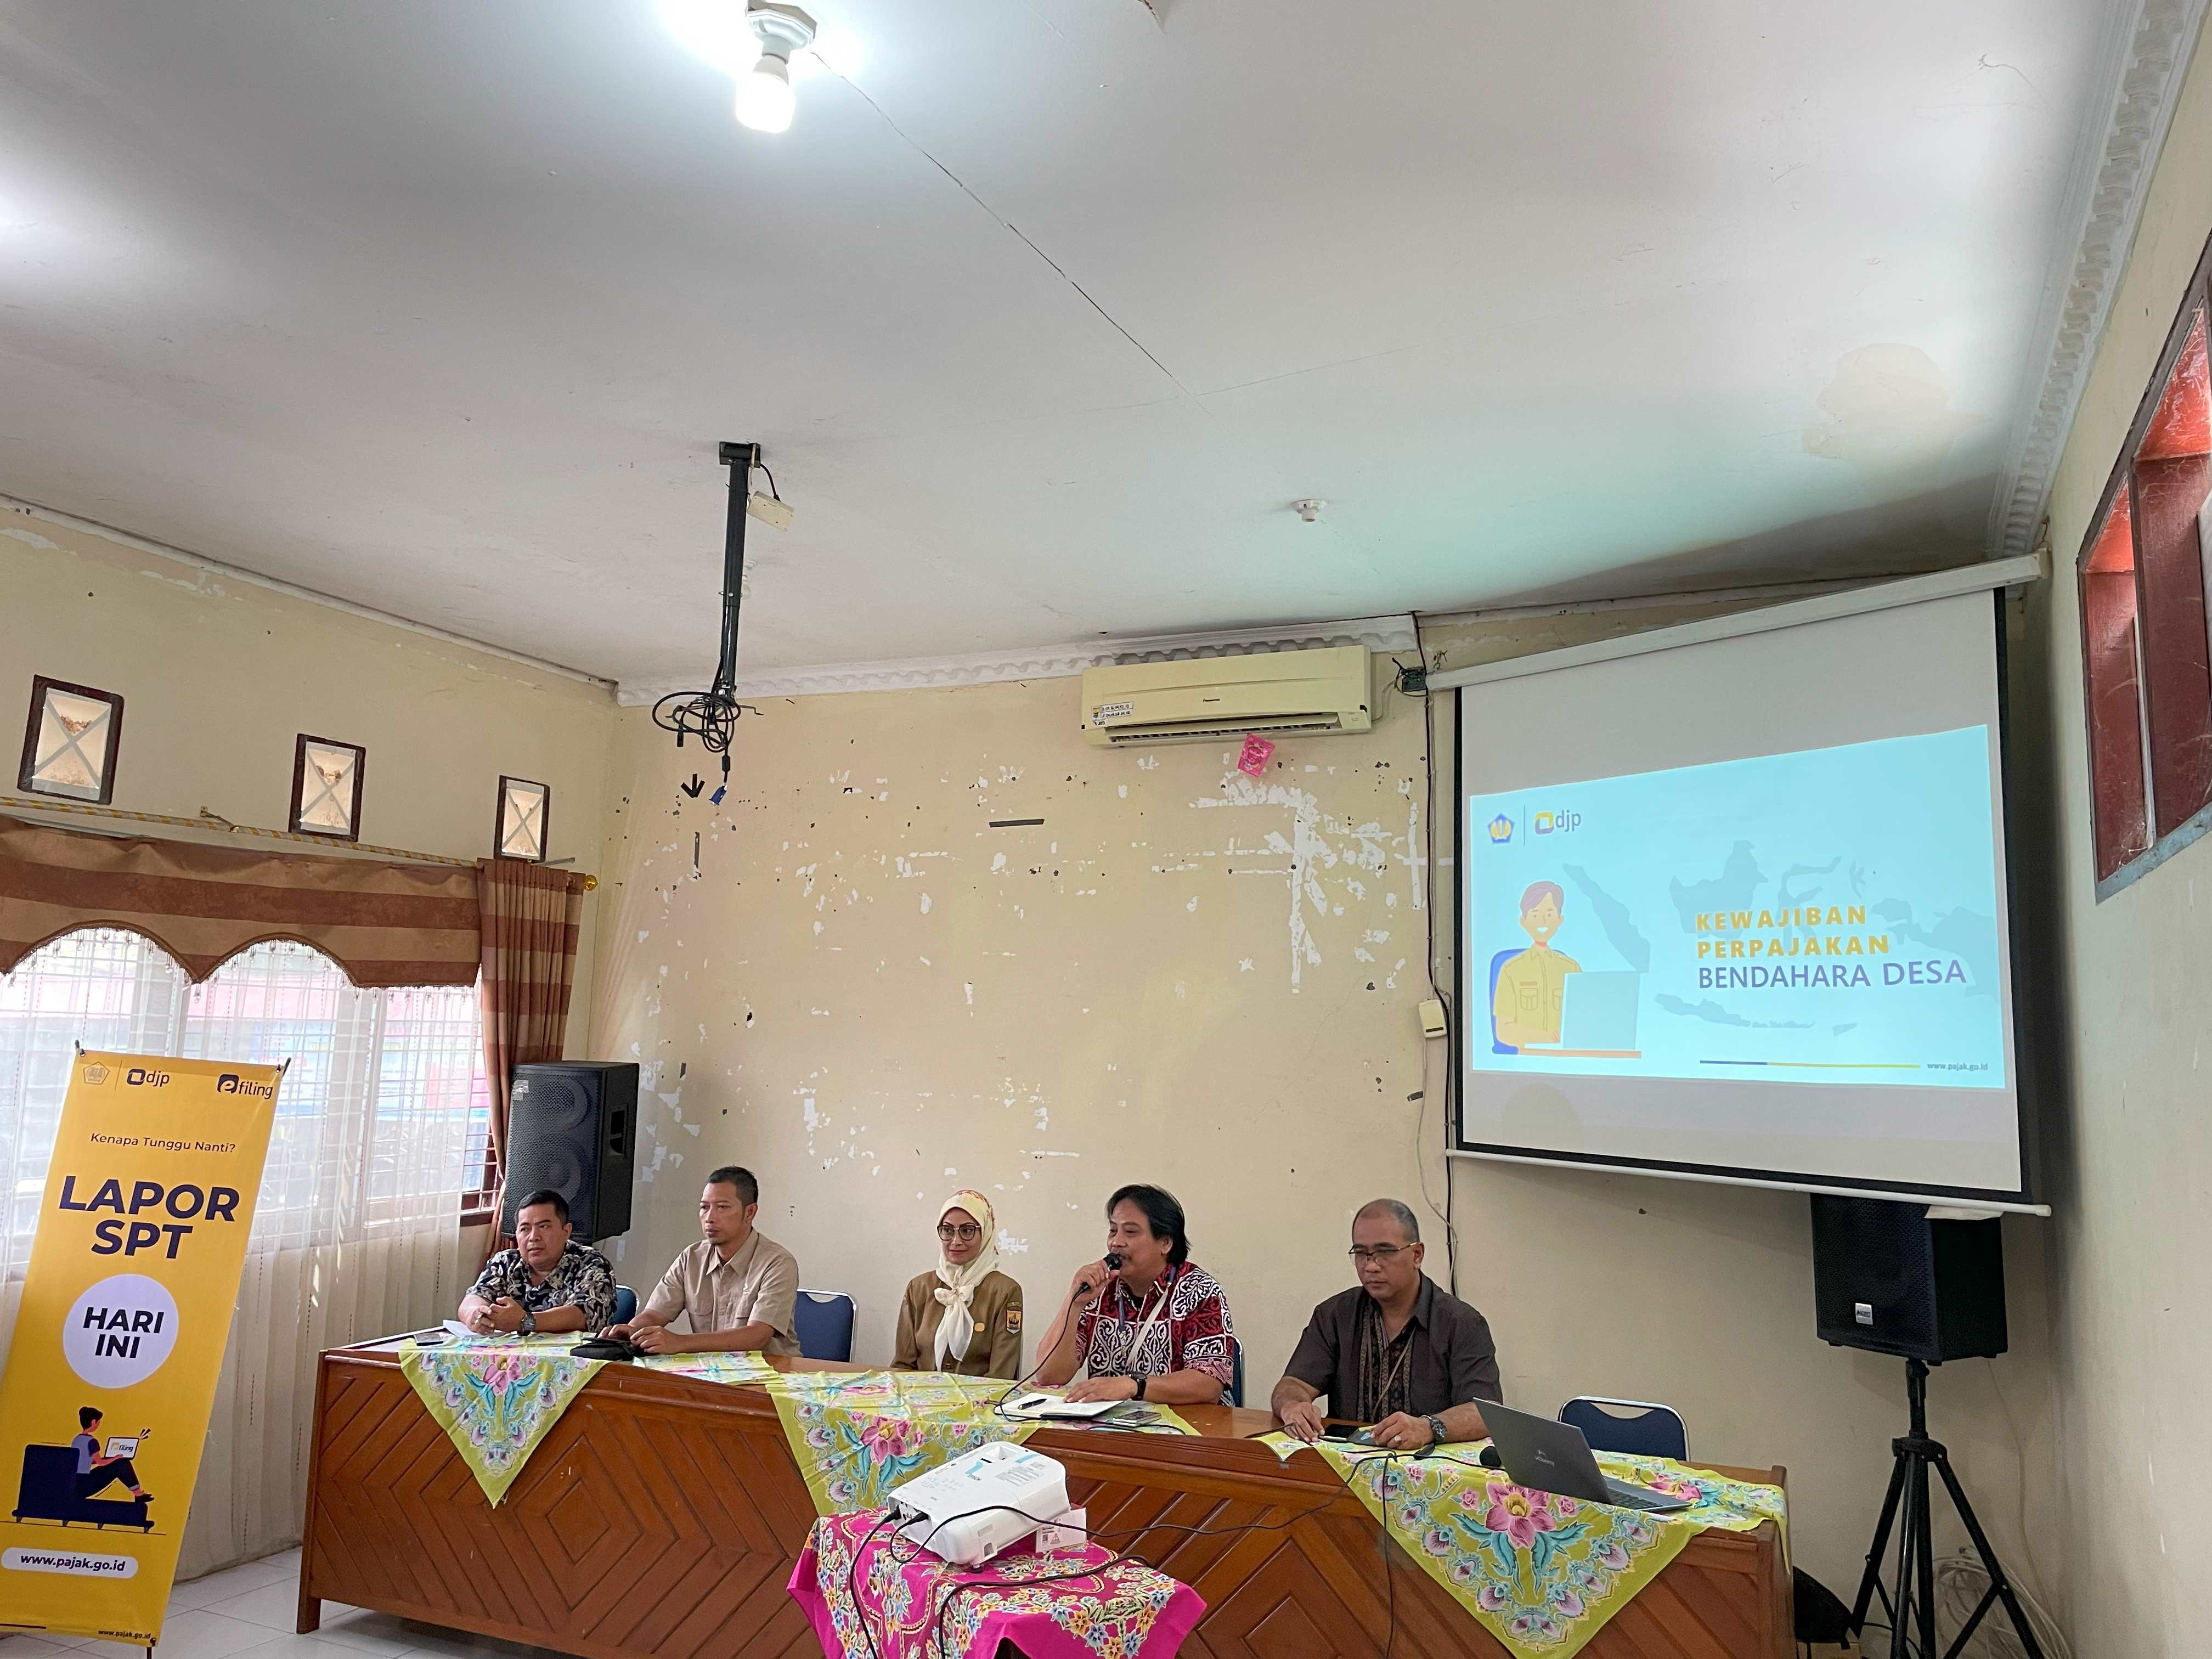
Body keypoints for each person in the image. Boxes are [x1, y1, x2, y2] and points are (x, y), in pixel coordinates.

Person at [1272, 1198, 1503, 1451]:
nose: (1371, 1266)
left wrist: (1428, 1427)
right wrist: (1293, 1407)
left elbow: (1484, 1412)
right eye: (1361, 1254)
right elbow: (1293, 1385)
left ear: (1417, 1255)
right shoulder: (1336, 1315)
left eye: (1385, 1252)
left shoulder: (1462, 1324)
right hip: (1345, 1462)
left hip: (1426, 1465)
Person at [1034, 1184, 1234, 1406]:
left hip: (1189, 1421)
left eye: (1130, 1232)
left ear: (1165, 1243)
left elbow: (1209, 1385)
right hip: (1111, 1421)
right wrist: (1074, 1303)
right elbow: (1048, 1376)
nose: (1116, 1242)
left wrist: (1135, 1386)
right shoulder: (1100, 1288)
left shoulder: (1201, 1291)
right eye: (1113, 1231)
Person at [603, 1165, 799, 1356]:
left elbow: (757, 1335)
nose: (710, 1218)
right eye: (704, 1207)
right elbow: (655, 1314)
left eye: (722, 1207)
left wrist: (680, 1342)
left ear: (750, 1213)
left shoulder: (778, 1263)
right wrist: (633, 1330)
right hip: (709, 1369)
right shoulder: (692, 1257)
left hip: (770, 1371)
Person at [891, 1189, 1024, 1378]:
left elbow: (1001, 1376)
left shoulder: (1005, 1292)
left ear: (986, 1234)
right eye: (947, 1230)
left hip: (982, 1396)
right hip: (919, 1394)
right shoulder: (919, 1288)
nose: (956, 1241)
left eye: (967, 1231)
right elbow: (903, 1366)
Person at [459, 1189, 615, 1334]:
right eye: (525, 1229)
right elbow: (473, 1299)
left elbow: (582, 1316)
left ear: (566, 1231)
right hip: (511, 1352)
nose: (534, 1237)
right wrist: (475, 1314)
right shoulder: (505, 1262)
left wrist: (524, 1321)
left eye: (544, 1226)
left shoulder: (592, 1264)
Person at [1493, 879, 1582, 1048]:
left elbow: (1583, 1021)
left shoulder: (1572, 968)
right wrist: (1545, 1037)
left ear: (1560, 919)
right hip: (1525, 1060)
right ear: (1523, 921)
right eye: (1535, 915)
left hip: (1570, 1058)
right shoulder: (1511, 970)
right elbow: (1504, 1031)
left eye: (1549, 914)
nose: (1542, 921)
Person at [70, 1407, 151, 1503]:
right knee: (122, 1464)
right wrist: (115, 1458)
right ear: (93, 1422)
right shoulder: (92, 1441)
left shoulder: (77, 1439)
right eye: (98, 1422)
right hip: (84, 1484)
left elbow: (85, 1460)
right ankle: (139, 1495)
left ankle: (139, 1494)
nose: (98, 1425)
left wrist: (109, 1459)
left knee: (118, 1463)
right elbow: (100, 1463)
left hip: (75, 1481)